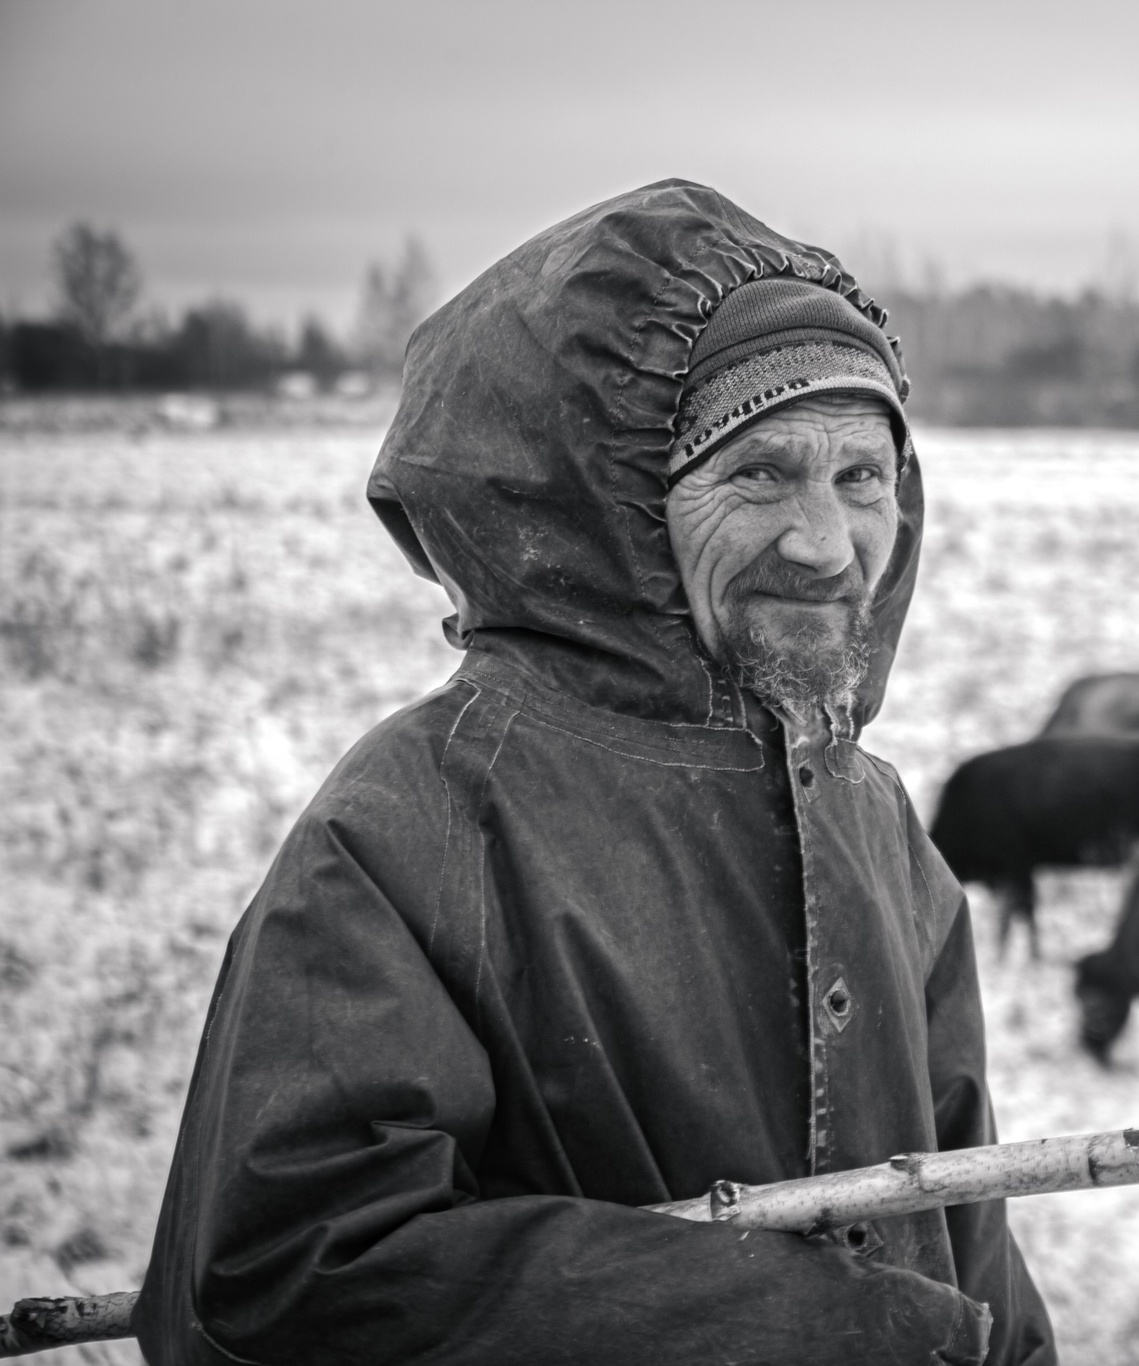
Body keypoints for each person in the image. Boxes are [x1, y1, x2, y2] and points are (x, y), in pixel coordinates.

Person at [133, 180, 1055, 1366]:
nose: (826, 545)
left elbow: (960, 1224)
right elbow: (287, 1270)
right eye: (760, 474)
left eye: (861, 478)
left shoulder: (875, 823)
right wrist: (818, 1331)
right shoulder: (420, 819)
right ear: (607, 510)